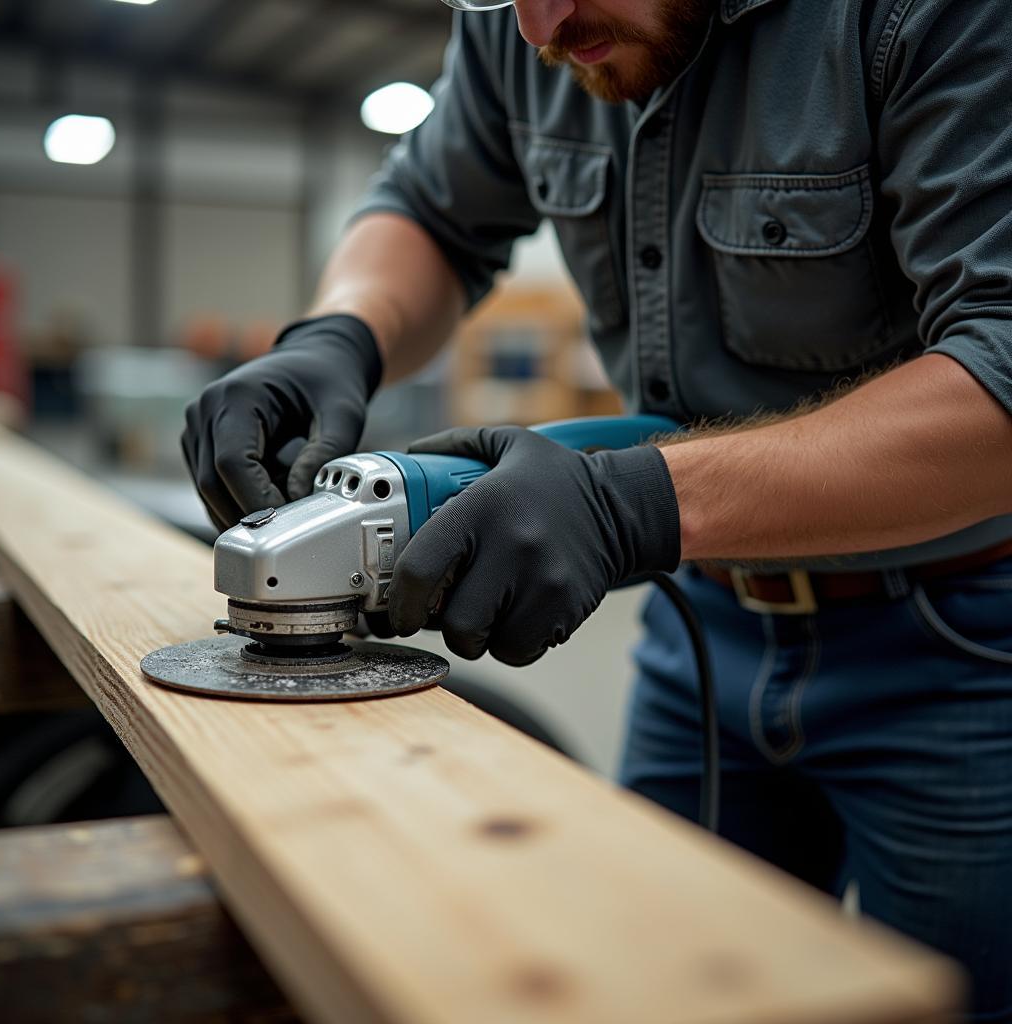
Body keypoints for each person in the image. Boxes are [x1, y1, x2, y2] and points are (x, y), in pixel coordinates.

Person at [182, 0, 1012, 1014]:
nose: (541, 29)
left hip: (967, 644)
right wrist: (337, 334)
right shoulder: (522, 21)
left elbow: (1001, 369)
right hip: (703, 621)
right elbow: (435, 212)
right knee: (656, 991)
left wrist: (637, 501)